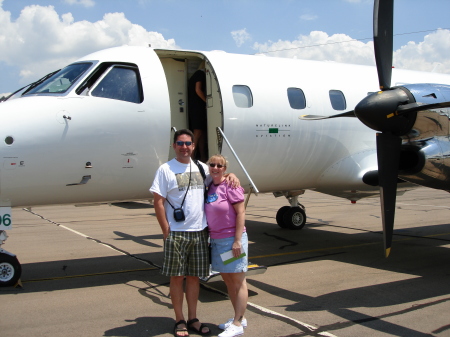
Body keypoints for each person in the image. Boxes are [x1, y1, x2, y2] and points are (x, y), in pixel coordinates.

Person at [150, 129, 239, 337]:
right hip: (177, 233)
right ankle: (179, 320)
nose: (184, 147)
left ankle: (193, 318)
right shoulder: (165, 169)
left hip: (200, 232)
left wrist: (230, 174)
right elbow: (158, 202)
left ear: (193, 146)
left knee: (193, 278)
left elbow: (218, 176)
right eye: (180, 143)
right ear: (174, 146)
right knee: (176, 278)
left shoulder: (201, 167)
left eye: (188, 143)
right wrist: (166, 231)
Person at [204, 154, 248, 337]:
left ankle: (237, 323)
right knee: (229, 281)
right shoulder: (209, 187)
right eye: (212, 164)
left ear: (224, 168)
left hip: (233, 241)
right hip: (217, 241)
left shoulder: (231, 185)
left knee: (238, 281)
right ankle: (239, 317)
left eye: (219, 165)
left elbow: (241, 213)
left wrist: (237, 241)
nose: (215, 167)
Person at [188, 61, 207, 162]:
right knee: (198, 132)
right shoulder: (200, 74)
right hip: (198, 107)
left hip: (195, 107)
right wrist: (207, 101)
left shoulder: (195, 75)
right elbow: (198, 90)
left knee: (201, 133)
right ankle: (190, 156)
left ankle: (202, 156)